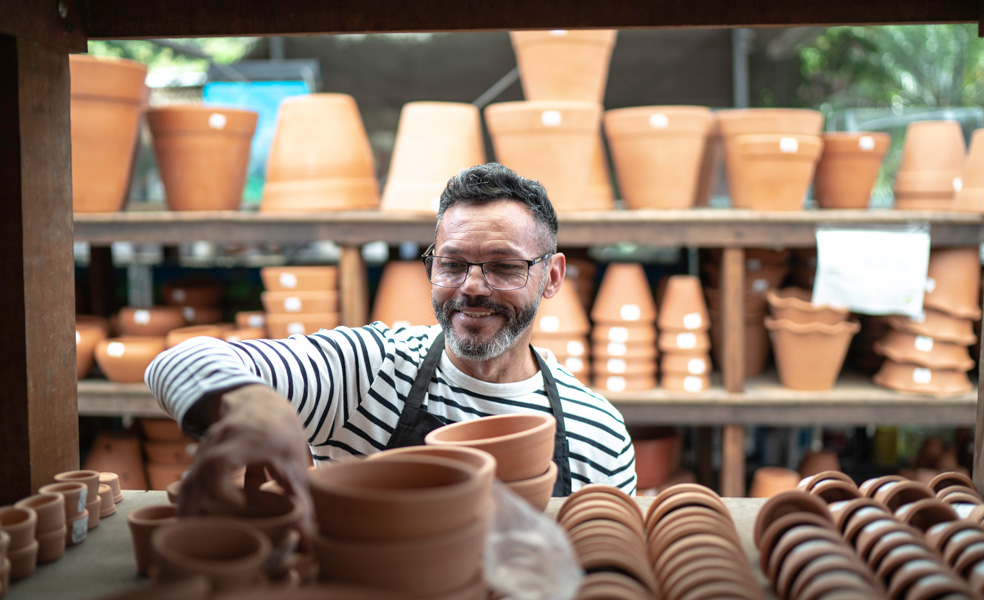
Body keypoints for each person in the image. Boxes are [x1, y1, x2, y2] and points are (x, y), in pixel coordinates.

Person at [145, 162, 636, 521]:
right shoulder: (370, 368)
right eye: (452, 263)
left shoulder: (595, 429)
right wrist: (253, 404)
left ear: (551, 276)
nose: (471, 286)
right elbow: (178, 360)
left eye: (504, 266)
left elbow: (607, 559)